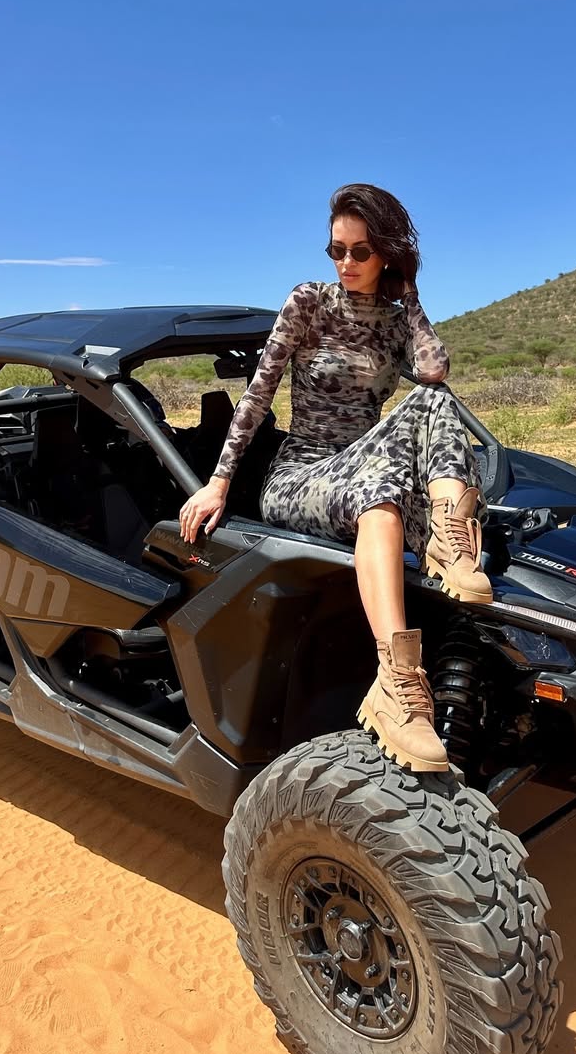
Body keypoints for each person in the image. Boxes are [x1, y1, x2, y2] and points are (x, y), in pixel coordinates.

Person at [178, 184, 492, 772]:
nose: (345, 263)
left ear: (388, 254)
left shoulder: (395, 321)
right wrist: (219, 481)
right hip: (302, 474)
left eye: (360, 251)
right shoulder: (309, 303)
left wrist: (410, 295)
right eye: (336, 250)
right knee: (380, 495)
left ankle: (452, 545)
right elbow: (258, 395)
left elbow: (432, 370)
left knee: (435, 399)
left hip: (369, 467)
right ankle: (397, 683)